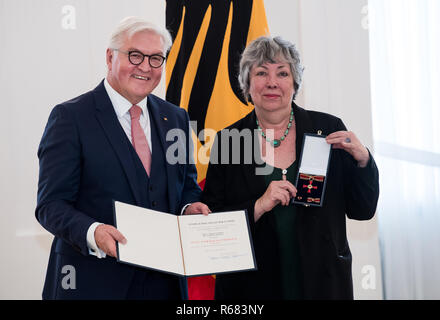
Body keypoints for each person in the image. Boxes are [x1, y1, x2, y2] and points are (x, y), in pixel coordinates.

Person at [36, 16, 210, 300]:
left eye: (156, 58)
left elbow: (186, 188)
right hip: (93, 282)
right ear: (110, 57)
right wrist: (94, 232)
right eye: (135, 55)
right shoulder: (70, 118)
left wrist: (189, 208)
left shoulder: (176, 118)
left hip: (165, 286)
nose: (145, 67)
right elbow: (50, 205)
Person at [202, 36, 379, 300]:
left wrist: (363, 159)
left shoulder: (327, 130)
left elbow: (362, 210)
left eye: (282, 73)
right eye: (261, 73)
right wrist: (259, 205)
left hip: (324, 285)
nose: (272, 82)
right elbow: (213, 226)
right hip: (251, 289)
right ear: (247, 84)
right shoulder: (228, 141)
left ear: (295, 83)